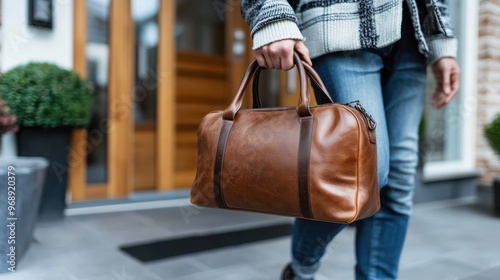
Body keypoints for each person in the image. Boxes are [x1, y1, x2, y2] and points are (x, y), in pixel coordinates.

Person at [240, 0, 460, 279]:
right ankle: (302, 265)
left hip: (412, 38)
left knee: (400, 178)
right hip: (340, 25)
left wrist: (443, 45)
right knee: (365, 175)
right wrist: (270, 14)